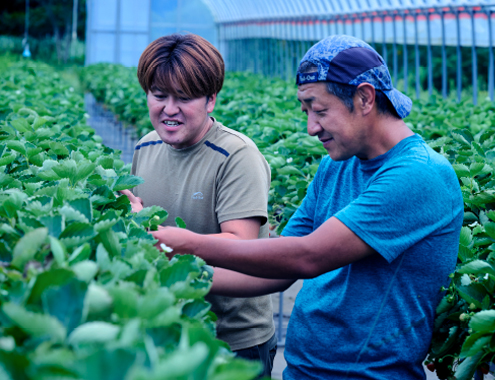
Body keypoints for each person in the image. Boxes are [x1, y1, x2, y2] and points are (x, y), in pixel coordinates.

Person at [141, 35, 463, 380]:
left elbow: (307, 256)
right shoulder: (336, 165)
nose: (311, 127)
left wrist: (184, 243)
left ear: (365, 97)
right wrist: (173, 281)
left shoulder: (419, 175)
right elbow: (278, 268)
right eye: (306, 111)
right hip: (304, 369)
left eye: (320, 110)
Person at [122, 33, 277, 377]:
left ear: (211, 100)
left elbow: (243, 247)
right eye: (159, 95)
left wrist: (156, 238)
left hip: (232, 342)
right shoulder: (145, 147)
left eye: (185, 97)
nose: (169, 109)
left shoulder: (237, 156)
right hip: (166, 331)